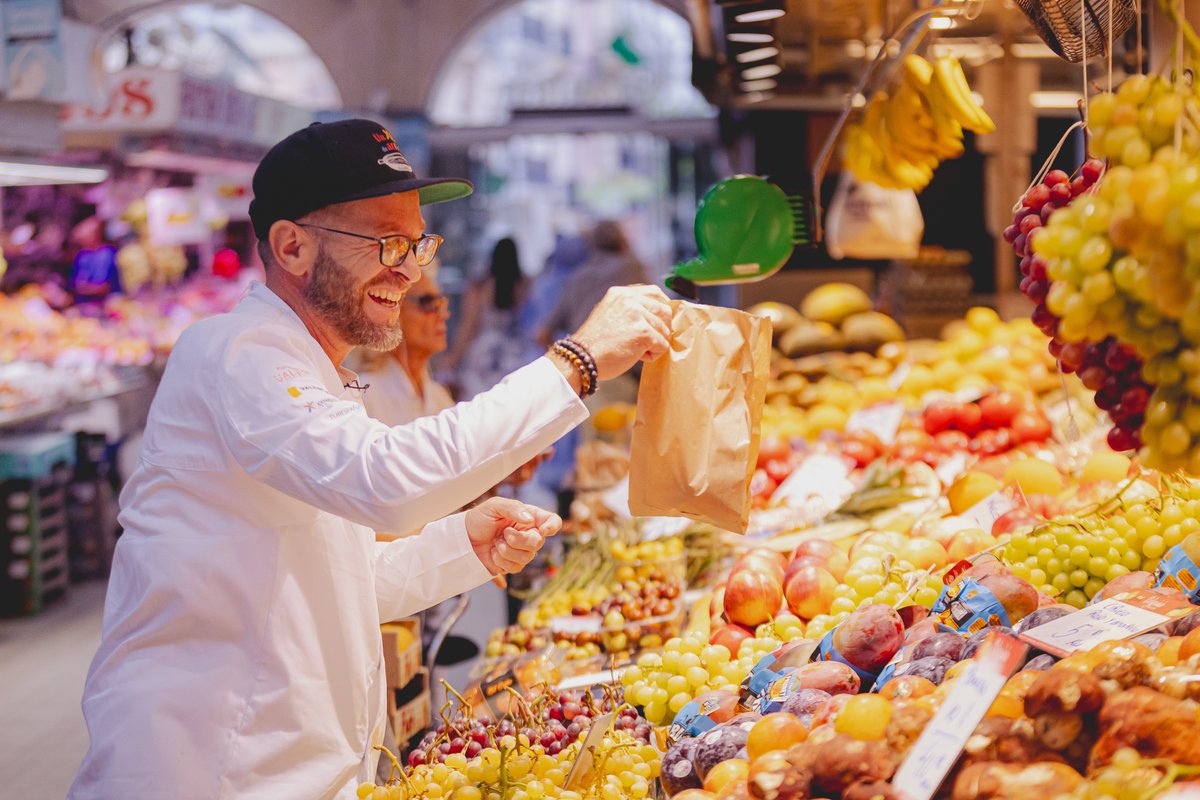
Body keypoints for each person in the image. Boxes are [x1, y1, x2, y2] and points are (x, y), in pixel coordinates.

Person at [69, 118, 672, 800]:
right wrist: (578, 362)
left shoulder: (320, 375)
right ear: (292, 246)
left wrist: (459, 546)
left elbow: (334, 578)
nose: (410, 268)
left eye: (417, 243)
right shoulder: (236, 354)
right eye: (387, 242)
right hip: (208, 774)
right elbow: (385, 481)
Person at [354, 259, 455, 427]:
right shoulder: (365, 394)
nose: (444, 315)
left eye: (441, 302)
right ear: (393, 308)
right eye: (428, 302)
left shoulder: (439, 396)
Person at [444, 236, 531, 399]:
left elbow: (469, 326)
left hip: (483, 356)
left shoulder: (480, 285)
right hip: (516, 353)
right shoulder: (526, 284)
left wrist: (452, 359)